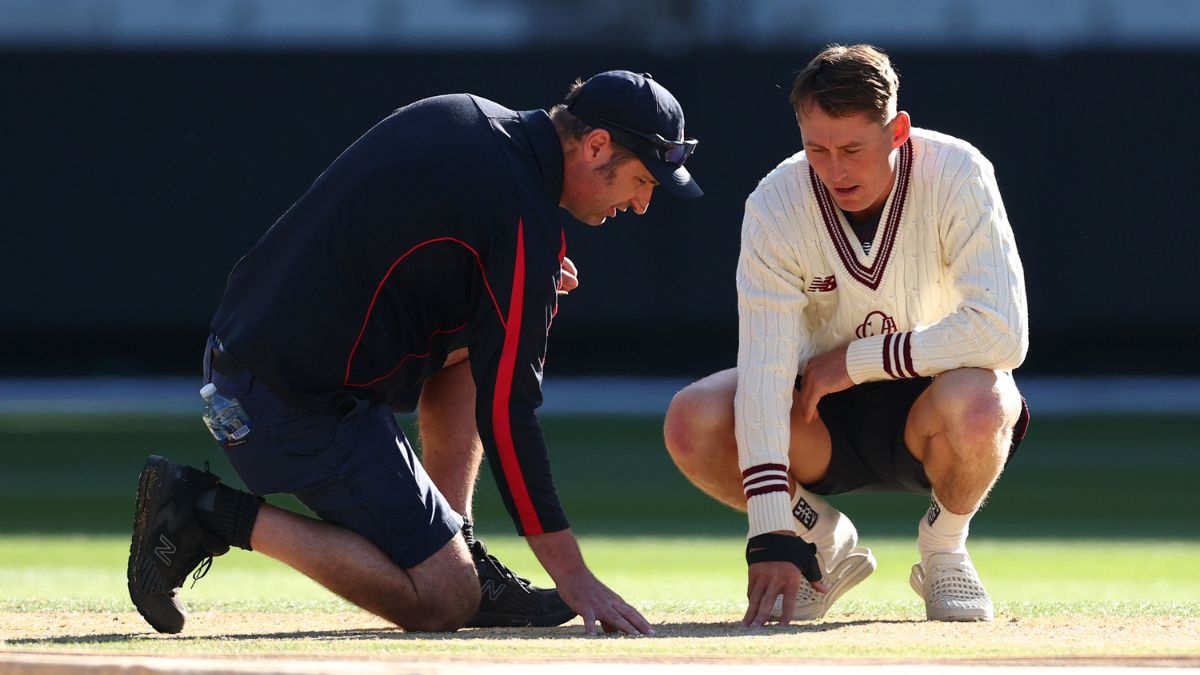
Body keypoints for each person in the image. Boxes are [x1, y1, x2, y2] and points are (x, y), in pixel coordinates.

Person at [127, 70, 702, 636]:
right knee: (445, 599)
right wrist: (572, 574)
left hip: (250, 354)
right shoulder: (520, 213)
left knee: (494, 321)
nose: (642, 203)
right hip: (283, 399)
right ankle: (203, 510)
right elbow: (509, 413)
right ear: (595, 145)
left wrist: (518, 286)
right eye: (642, 179)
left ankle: (461, 544)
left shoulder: (466, 111)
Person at [663, 44, 1029, 626]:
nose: (834, 170)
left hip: (935, 402)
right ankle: (824, 542)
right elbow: (764, 370)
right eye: (817, 149)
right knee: (693, 418)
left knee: (985, 398)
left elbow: (1003, 333)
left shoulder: (959, 171)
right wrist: (772, 532)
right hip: (818, 416)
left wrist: (859, 360)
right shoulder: (775, 202)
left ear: (897, 132)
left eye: (852, 149)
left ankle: (944, 549)